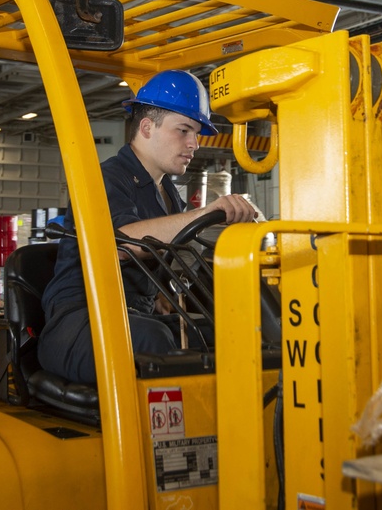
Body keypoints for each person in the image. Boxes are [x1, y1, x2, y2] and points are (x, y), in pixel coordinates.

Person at [37, 70, 257, 384]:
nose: (194, 143)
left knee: (220, 333)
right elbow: (123, 243)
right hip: (79, 321)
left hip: (131, 316)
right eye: (184, 130)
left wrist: (161, 296)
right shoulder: (106, 179)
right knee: (152, 339)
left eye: (196, 133)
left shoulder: (168, 194)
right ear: (147, 127)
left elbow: (166, 265)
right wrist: (205, 213)